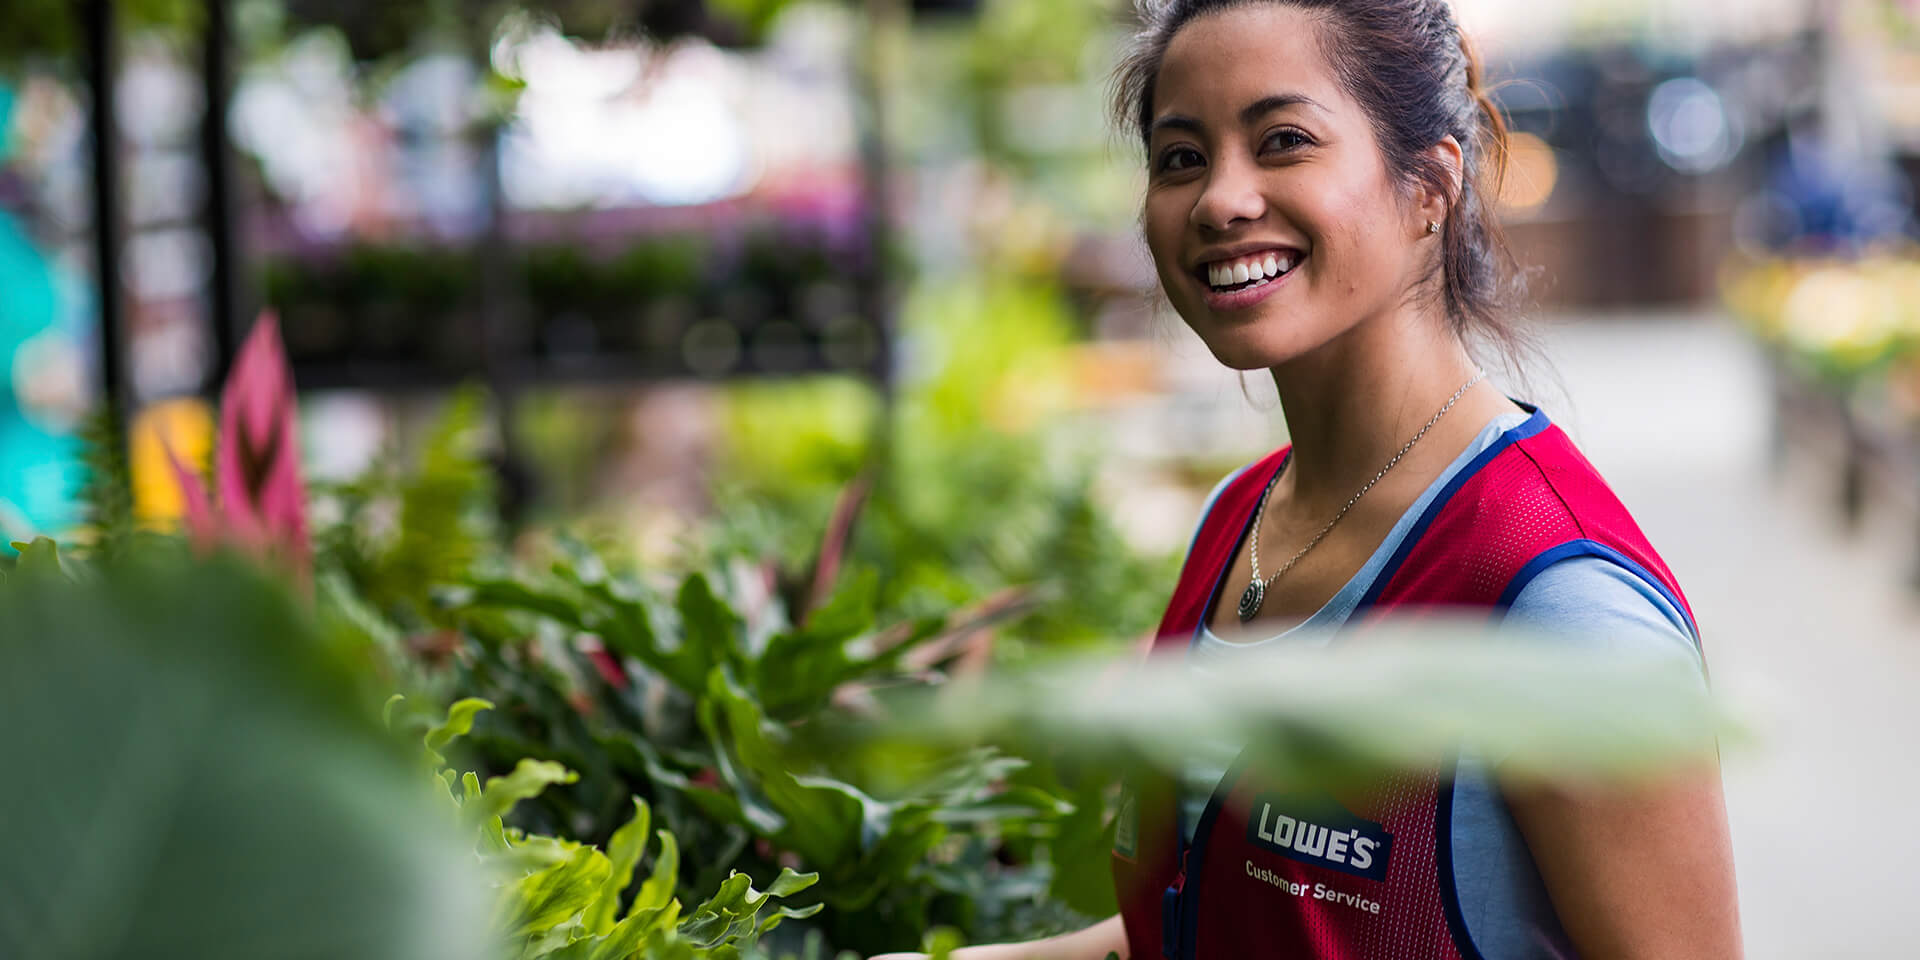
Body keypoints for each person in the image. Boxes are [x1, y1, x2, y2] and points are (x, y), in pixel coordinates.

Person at [874, 0, 1741, 957]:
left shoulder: (1557, 606)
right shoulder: (1235, 520)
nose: (1219, 200)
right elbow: (1202, 925)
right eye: (1180, 157)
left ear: (1430, 186)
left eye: (1283, 140)